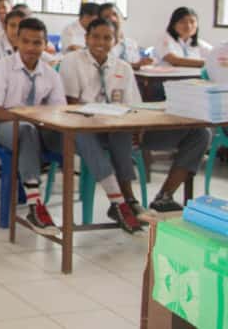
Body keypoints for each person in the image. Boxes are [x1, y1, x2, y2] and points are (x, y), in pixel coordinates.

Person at [61, 18, 211, 217]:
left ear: (115, 41)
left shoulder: (123, 67)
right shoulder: (72, 61)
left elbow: (134, 106)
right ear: (86, 38)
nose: (100, 42)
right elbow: (69, 105)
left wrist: (139, 128)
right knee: (121, 130)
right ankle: (127, 200)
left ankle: (164, 197)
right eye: (95, 37)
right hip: (91, 132)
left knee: (200, 134)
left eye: (107, 38)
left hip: (124, 128)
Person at [0, 17, 66, 234]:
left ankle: (117, 198)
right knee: (27, 130)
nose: (31, 47)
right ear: (17, 41)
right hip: (3, 125)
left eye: (37, 43)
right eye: (26, 41)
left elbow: (59, 112)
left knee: (72, 138)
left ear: (45, 44)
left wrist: (42, 121)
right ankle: (35, 204)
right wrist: (27, 119)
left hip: (37, 127)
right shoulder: (1, 69)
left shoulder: (51, 74)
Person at [97, 2, 152, 69]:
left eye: (115, 15)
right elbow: (106, 68)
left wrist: (143, 63)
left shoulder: (131, 43)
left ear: (121, 18)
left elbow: (137, 64)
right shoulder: (99, 45)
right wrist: (134, 65)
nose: (112, 19)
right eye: (106, 17)